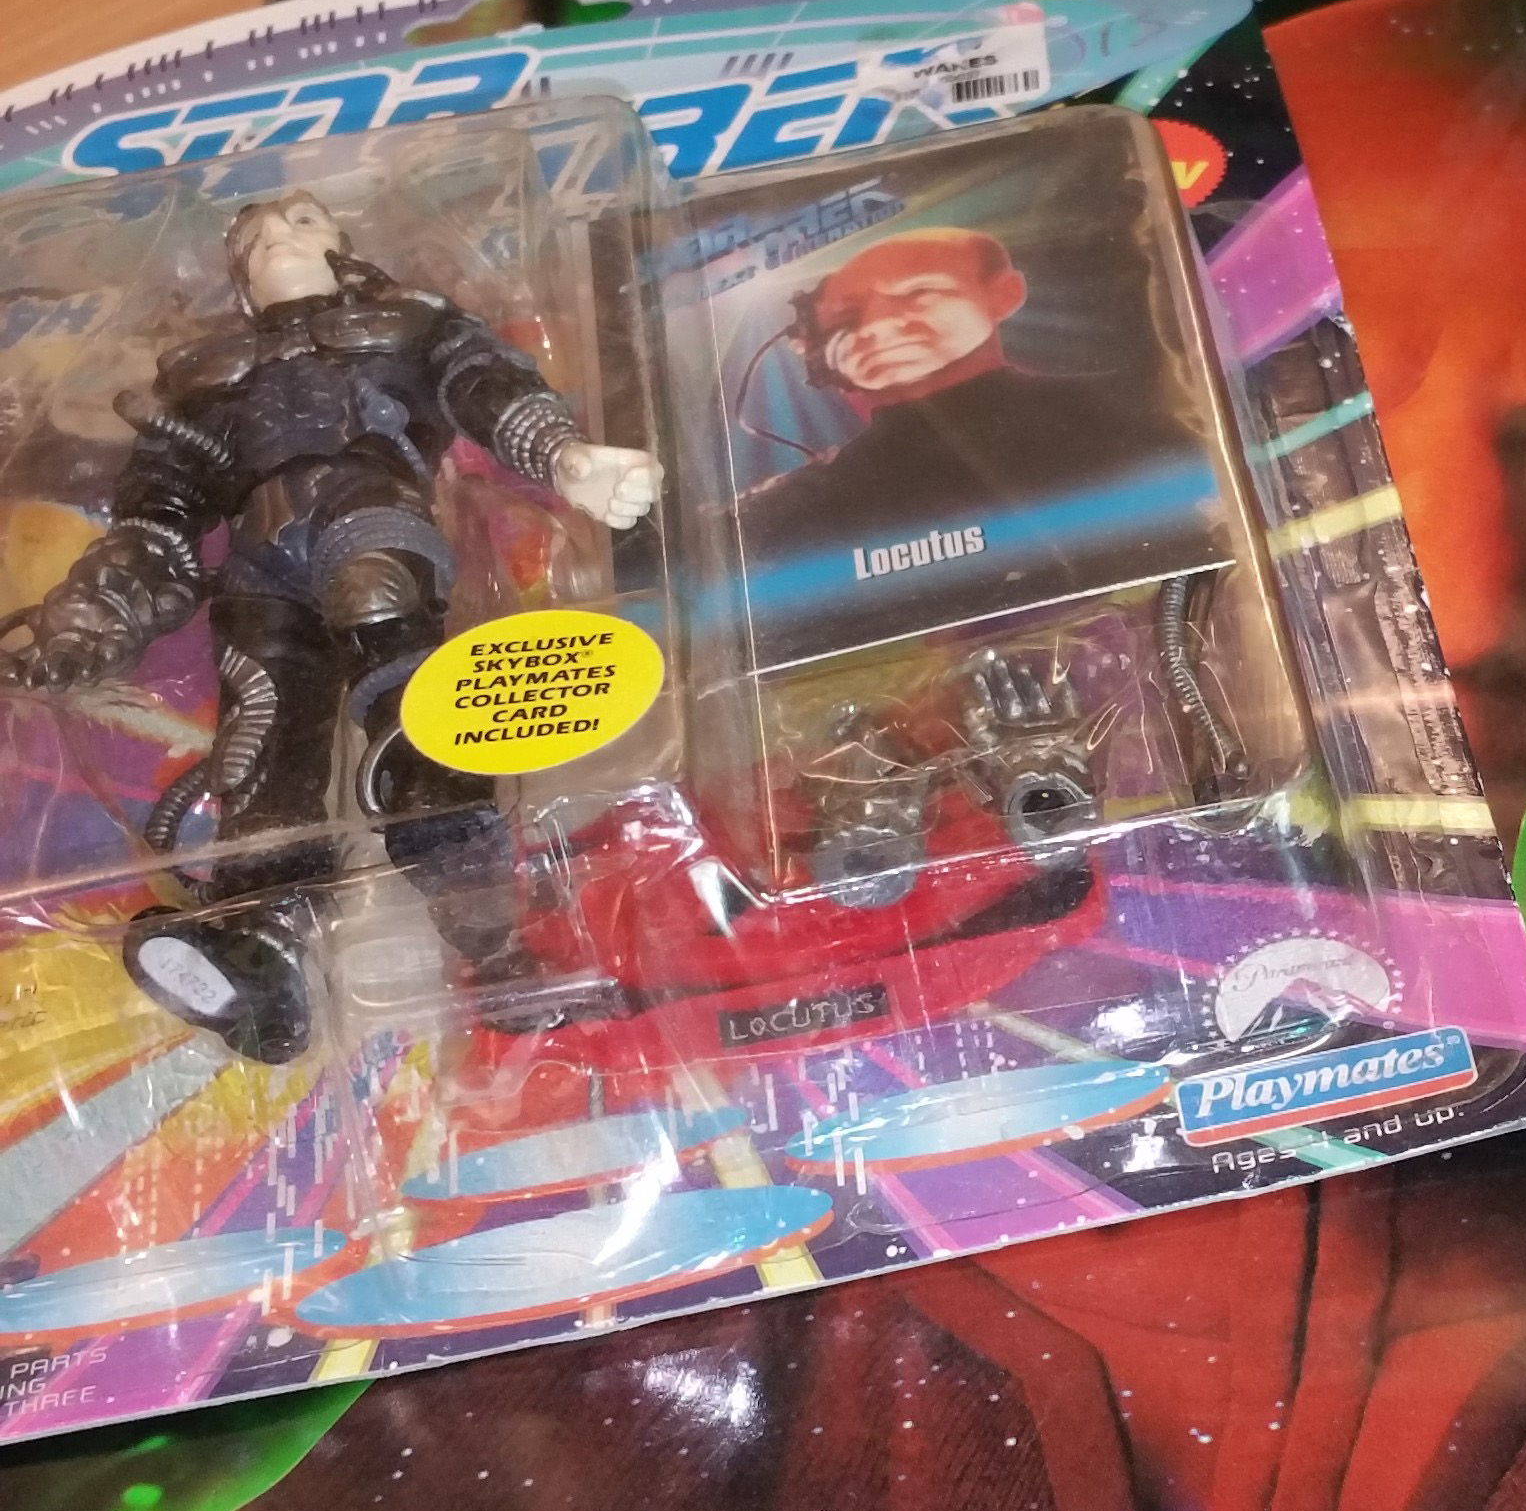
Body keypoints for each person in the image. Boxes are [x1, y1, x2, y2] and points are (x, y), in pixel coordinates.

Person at [1, 190, 657, 1062]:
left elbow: (484, 385)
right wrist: (90, 622)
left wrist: (565, 458)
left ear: (343, 241)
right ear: (237, 276)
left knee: (411, 704)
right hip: (259, 569)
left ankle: (491, 938)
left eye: (302, 221)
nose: (278, 235)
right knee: (262, 746)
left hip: (371, 519)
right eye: (255, 236)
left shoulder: (407, 322)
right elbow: (157, 514)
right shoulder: (199, 375)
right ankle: (262, 936)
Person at [733, 223, 1229, 648]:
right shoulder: (794, 508)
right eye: (846, 316)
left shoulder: (1134, 414)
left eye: (918, 293)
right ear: (815, 350)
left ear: (1004, 294)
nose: (877, 327)